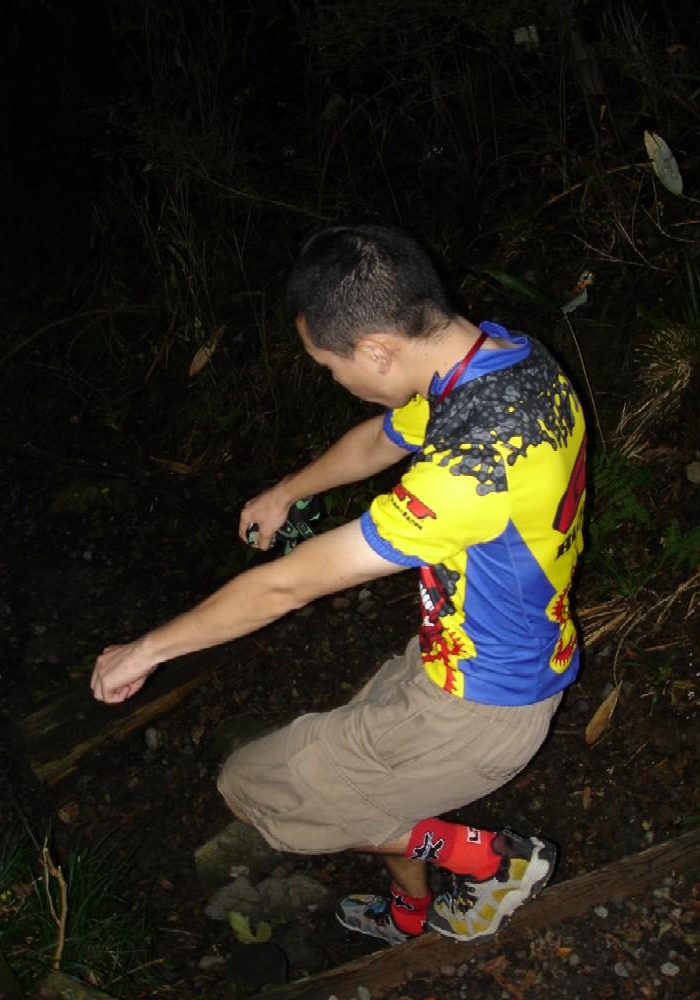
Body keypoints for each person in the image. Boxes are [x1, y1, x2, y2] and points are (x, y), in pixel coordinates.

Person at [92, 224, 586, 945]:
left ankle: (490, 861)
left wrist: (144, 651)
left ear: (377, 350)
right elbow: (383, 437)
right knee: (361, 791)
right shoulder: (502, 363)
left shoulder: (472, 472)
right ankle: (411, 913)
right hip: (466, 655)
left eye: (329, 366)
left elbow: (286, 588)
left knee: (252, 785)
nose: (334, 381)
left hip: (477, 712)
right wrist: (287, 491)